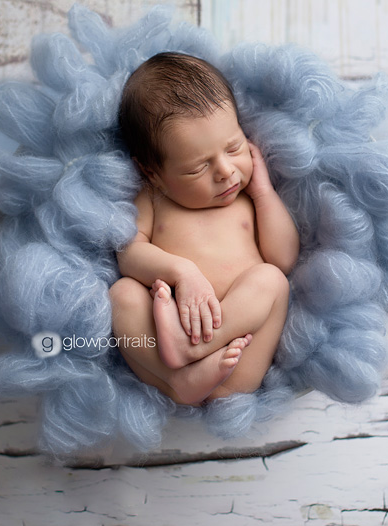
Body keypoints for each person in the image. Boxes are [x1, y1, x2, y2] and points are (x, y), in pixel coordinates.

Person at [110, 52, 300, 406]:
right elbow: (128, 254)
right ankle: (178, 379)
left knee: (273, 279)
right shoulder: (153, 197)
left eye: (234, 147)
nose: (226, 171)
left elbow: (284, 258)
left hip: (238, 363)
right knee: (121, 294)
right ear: (152, 172)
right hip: (164, 352)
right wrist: (181, 272)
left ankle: (191, 350)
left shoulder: (247, 198)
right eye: (198, 168)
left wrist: (263, 192)